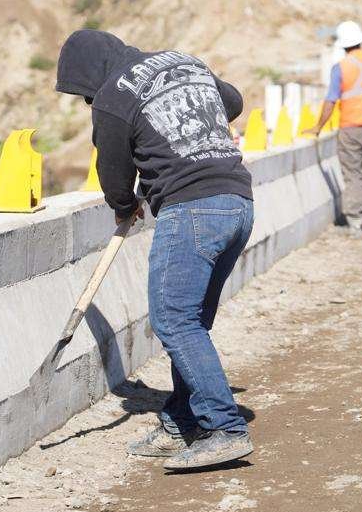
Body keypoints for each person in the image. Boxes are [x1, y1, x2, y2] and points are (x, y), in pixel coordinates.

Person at [55, 30, 255, 471]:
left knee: (172, 319)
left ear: (89, 74)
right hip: (238, 203)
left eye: (83, 93)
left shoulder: (113, 95)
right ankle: (181, 421)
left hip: (192, 210)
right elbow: (234, 101)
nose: (89, 102)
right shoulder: (183, 62)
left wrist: (124, 205)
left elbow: (111, 170)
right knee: (192, 322)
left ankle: (224, 428)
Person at [304, 21, 362, 236]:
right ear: (361, 41)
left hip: (351, 130)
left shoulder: (341, 67)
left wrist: (318, 126)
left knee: (353, 176)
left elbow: (330, 101)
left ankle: (355, 222)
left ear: (343, 45)